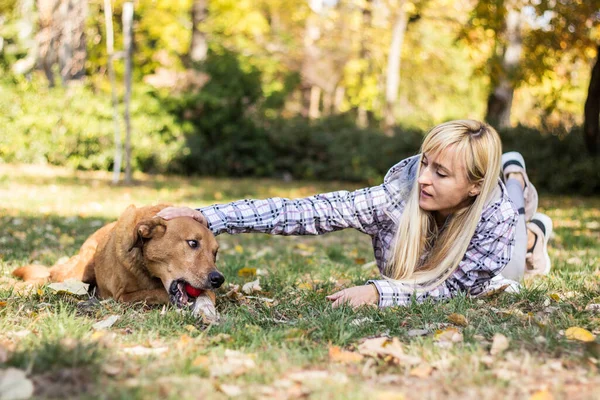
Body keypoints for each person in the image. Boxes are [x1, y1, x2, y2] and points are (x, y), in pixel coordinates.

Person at [157, 120, 553, 308]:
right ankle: (518, 187)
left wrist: (379, 293)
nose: (424, 179)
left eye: (441, 172)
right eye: (425, 163)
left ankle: (521, 193)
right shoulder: (398, 196)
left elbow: (451, 290)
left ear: (473, 187)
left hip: (500, 241)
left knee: (517, 257)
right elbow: (310, 211)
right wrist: (211, 216)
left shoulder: (492, 217)